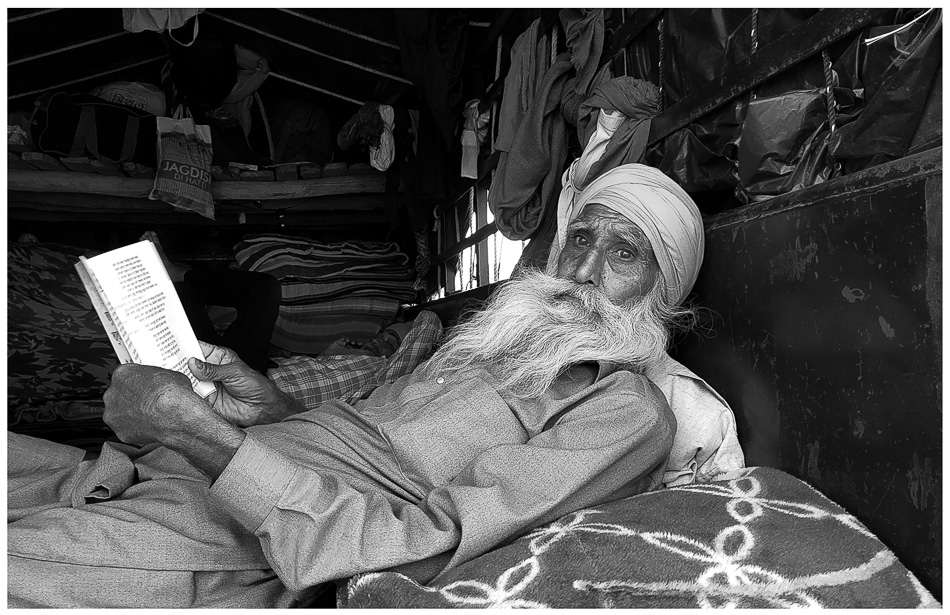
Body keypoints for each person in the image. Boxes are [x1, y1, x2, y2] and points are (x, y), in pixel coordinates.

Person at [8, 164, 742, 608]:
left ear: (662, 289)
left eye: (623, 253)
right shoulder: (497, 341)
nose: (583, 270)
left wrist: (203, 435)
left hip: (232, 538)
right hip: (175, 471)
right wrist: (274, 410)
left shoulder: (624, 410)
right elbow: (372, 439)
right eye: (581, 237)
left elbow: (426, 540)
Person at [142, 231, 281, 373]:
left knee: (179, 292)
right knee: (265, 287)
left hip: (204, 369)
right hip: (243, 368)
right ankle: (181, 275)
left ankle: (177, 277)